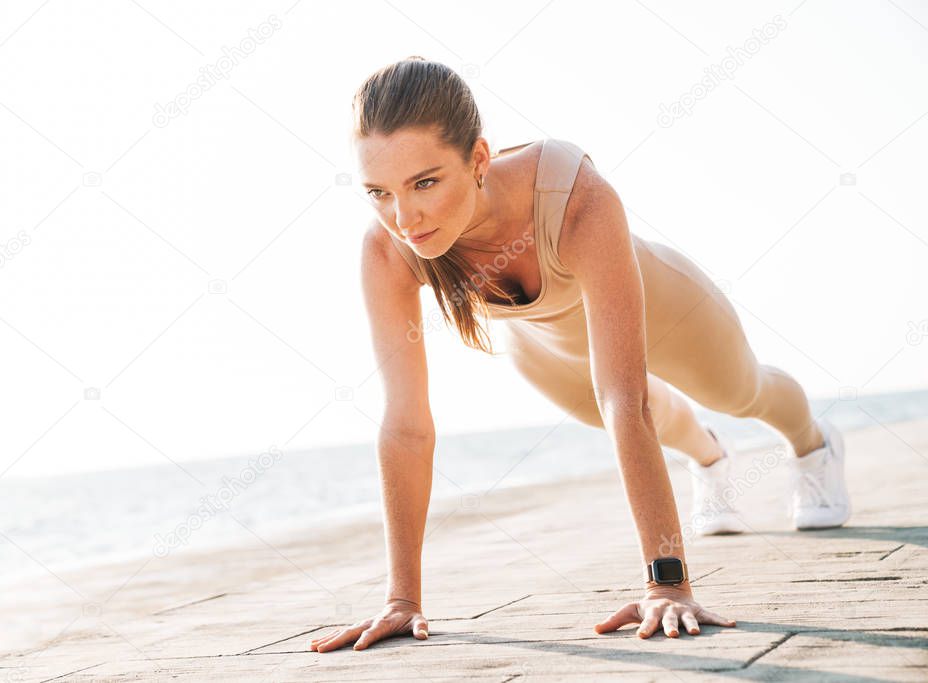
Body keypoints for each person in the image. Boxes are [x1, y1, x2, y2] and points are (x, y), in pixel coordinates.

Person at [310, 56, 851, 653]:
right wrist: (401, 601)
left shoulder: (571, 193)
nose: (403, 217)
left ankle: (813, 444)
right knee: (639, 418)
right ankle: (709, 459)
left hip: (668, 309)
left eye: (426, 182)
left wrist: (666, 583)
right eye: (378, 193)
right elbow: (407, 425)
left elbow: (627, 396)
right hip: (545, 345)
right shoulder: (388, 248)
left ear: (480, 159)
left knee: (737, 391)